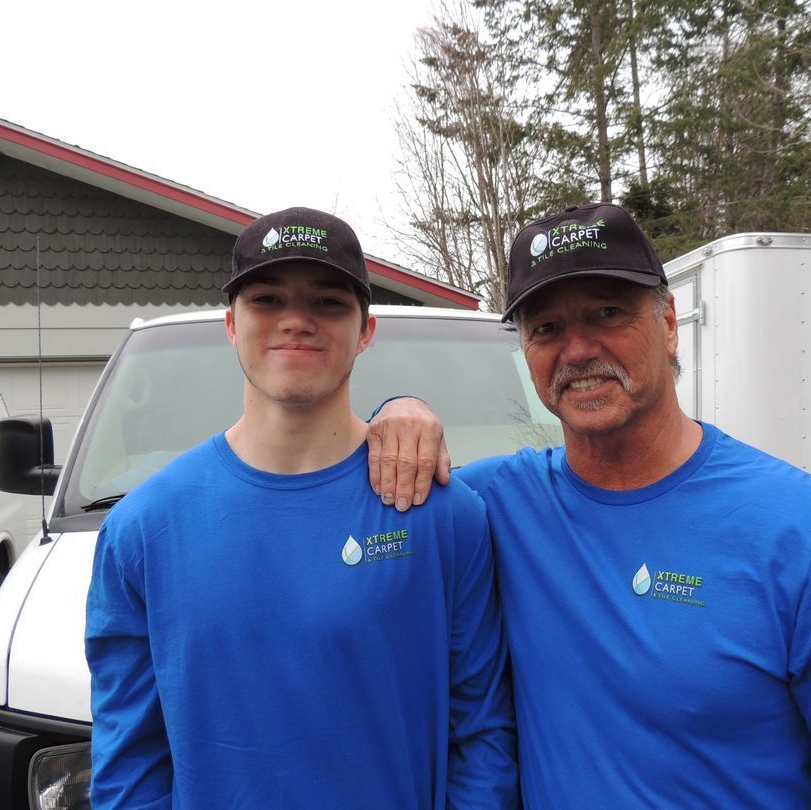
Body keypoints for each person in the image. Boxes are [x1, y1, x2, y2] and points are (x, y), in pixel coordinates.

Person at [374, 203, 811, 807]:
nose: (577, 350)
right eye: (547, 328)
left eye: (607, 313)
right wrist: (397, 409)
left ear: (666, 321)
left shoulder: (807, 533)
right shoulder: (495, 504)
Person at [85, 207, 518, 809]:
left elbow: (482, 735)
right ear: (230, 324)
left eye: (328, 303)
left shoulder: (441, 513)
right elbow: (129, 765)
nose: (296, 321)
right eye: (266, 299)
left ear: (366, 330)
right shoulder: (141, 530)